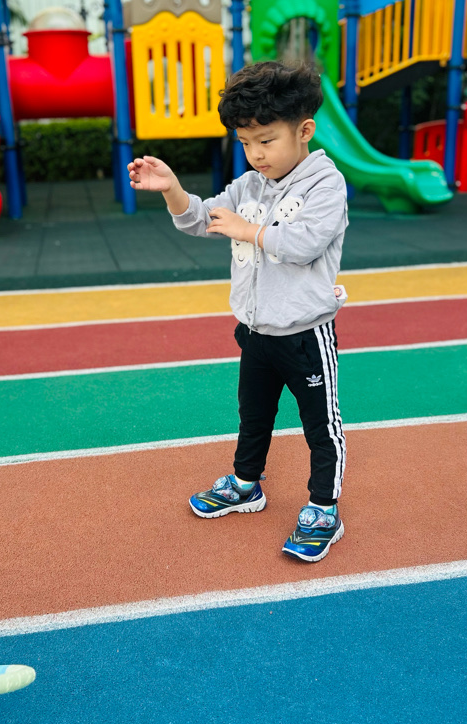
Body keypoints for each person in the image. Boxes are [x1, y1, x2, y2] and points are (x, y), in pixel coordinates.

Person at [128, 61, 348, 562]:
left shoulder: (325, 184)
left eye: (266, 141)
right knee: (253, 415)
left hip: (305, 335)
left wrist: (248, 231)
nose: (256, 154)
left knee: (321, 425)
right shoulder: (249, 185)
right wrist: (172, 188)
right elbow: (200, 220)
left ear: (304, 131)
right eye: (246, 143)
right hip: (255, 331)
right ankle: (247, 484)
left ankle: (323, 508)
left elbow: (303, 244)